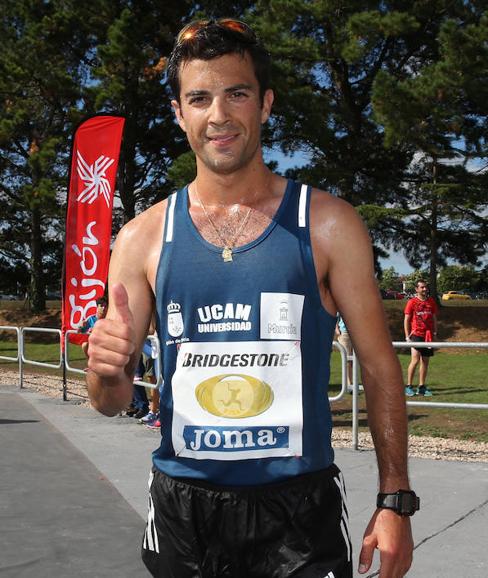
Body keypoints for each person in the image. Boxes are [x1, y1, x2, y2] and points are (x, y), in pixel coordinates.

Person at [86, 19, 417, 578]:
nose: (219, 114)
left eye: (236, 93)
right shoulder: (142, 236)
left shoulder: (329, 224)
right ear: (179, 113)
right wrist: (106, 368)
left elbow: (383, 370)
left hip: (298, 514)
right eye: (200, 98)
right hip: (182, 510)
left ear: (264, 105)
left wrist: (395, 502)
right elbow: (111, 400)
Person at [404, 280, 438, 396]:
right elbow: (407, 319)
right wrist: (407, 336)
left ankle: (421, 387)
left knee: (425, 361)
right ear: (416, 289)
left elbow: (433, 317)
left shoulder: (431, 301)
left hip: (428, 335)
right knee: (415, 360)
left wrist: (435, 332)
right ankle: (408, 386)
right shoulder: (412, 302)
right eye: (422, 287)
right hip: (416, 334)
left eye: (425, 287)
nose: (424, 289)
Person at [335, 315, 354, 391]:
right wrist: (337, 330)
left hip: (355, 333)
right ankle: (348, 385)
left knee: (353, 361)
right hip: (344, 333)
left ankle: (351, 383)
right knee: (347, 360)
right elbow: (335, 316)